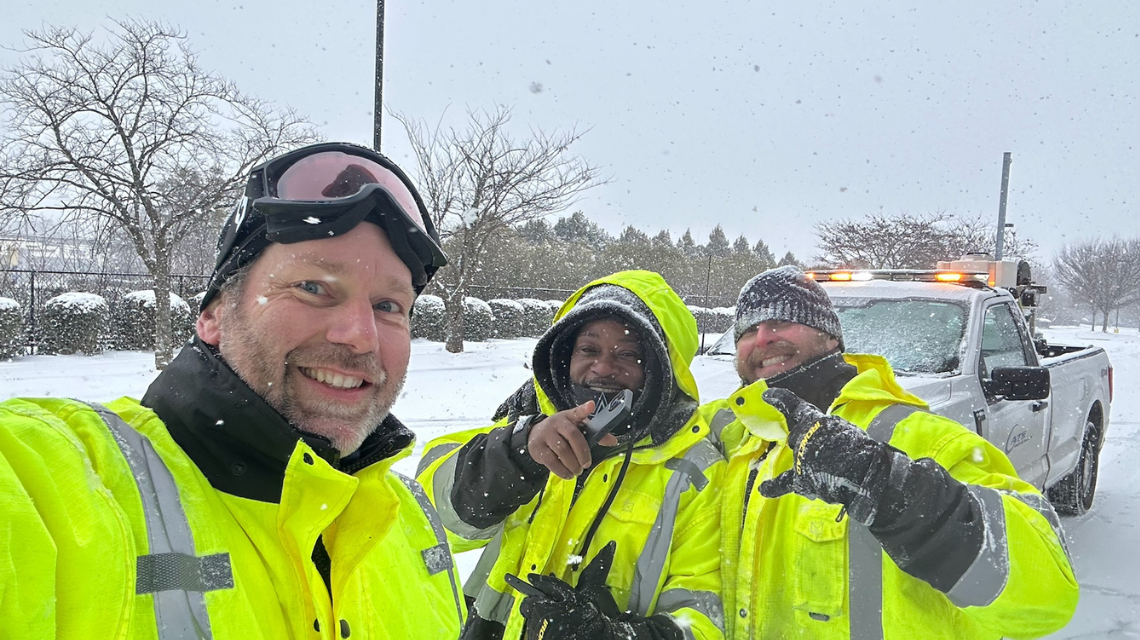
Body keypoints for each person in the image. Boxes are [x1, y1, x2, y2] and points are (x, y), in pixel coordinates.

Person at [0, 142, 466, 638]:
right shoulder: (55, 480)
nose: (360, 335)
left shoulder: (413, 522)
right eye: (312, 287)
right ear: (214, 315)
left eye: (389, 306)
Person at [705, 265, 1079, 640]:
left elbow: (1049, 595)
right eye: (749, 330)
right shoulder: (728, 436)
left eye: (782, 321)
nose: (764, 338)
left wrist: (897, 491)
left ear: (829, 336)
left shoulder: (913, 434)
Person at [417, 270, 725, 640]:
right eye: (588, 349)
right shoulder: (521, 428)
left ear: (660, 369)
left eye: (627, 354)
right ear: (565, 355)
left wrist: (610, 635)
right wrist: (518, 455)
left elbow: (706, 620)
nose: (604, 367)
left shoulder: (696, 471)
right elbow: (435, 523)